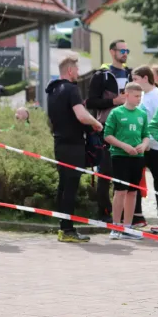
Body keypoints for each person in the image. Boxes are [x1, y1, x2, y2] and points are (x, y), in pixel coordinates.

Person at [47, 56, 103, 243]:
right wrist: (96, 124)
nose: (78, 73)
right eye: (77, 69)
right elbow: (81, 115)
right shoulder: (71, 89)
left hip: (59, 143)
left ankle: (63, 228)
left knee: (63, 186)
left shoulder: (52, 89)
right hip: (73, 145)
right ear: (70, 71)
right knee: (71, 187)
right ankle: (68, 230)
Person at [86, 39, 132, 223]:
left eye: (127, 49)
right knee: (106, 170)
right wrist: (114, 102)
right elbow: (90, 102)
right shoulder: (102, 75)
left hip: (129, 128)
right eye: (122, 50)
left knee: (126, 172)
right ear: (112, 52)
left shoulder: (131, 74)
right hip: (107, 127)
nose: (125, 53)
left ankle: (125, 214)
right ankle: (104, 211)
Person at [103, 82, 150, 240]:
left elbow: (146, 135)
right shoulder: (116, 113)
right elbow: (107, 135)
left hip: (137, 157)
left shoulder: (142, 114)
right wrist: (124, 146)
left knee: (132, 192)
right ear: (127, 95)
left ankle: (128, 227)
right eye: (136, 96)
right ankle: (116, 226)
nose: (138, 99)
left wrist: (143, 145)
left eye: (140, 96)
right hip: (120, 156)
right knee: (120, 191)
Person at [132, 65, 158, 228]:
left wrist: (150, 141)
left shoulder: (157, 96)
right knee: (136, 180)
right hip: (142, 146)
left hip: (157, 147)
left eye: (135, 79)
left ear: (145, 78)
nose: (133, 82)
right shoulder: (143, 95)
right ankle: (137, 215)